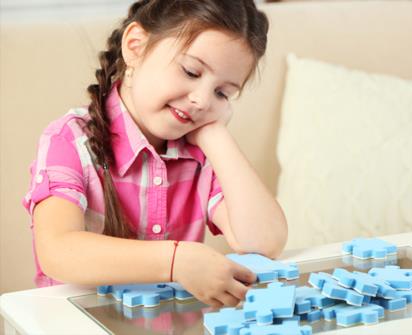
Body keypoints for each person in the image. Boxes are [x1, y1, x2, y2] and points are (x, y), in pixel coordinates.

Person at [22, 0, 287, 308]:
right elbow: (58, 251)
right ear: (135, 46)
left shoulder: (200, 150)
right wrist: (176, 260)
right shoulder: (69, 140)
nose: (202, 100)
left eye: (222, 93)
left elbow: (264, 241)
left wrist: (215, 136)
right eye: (191, 71)